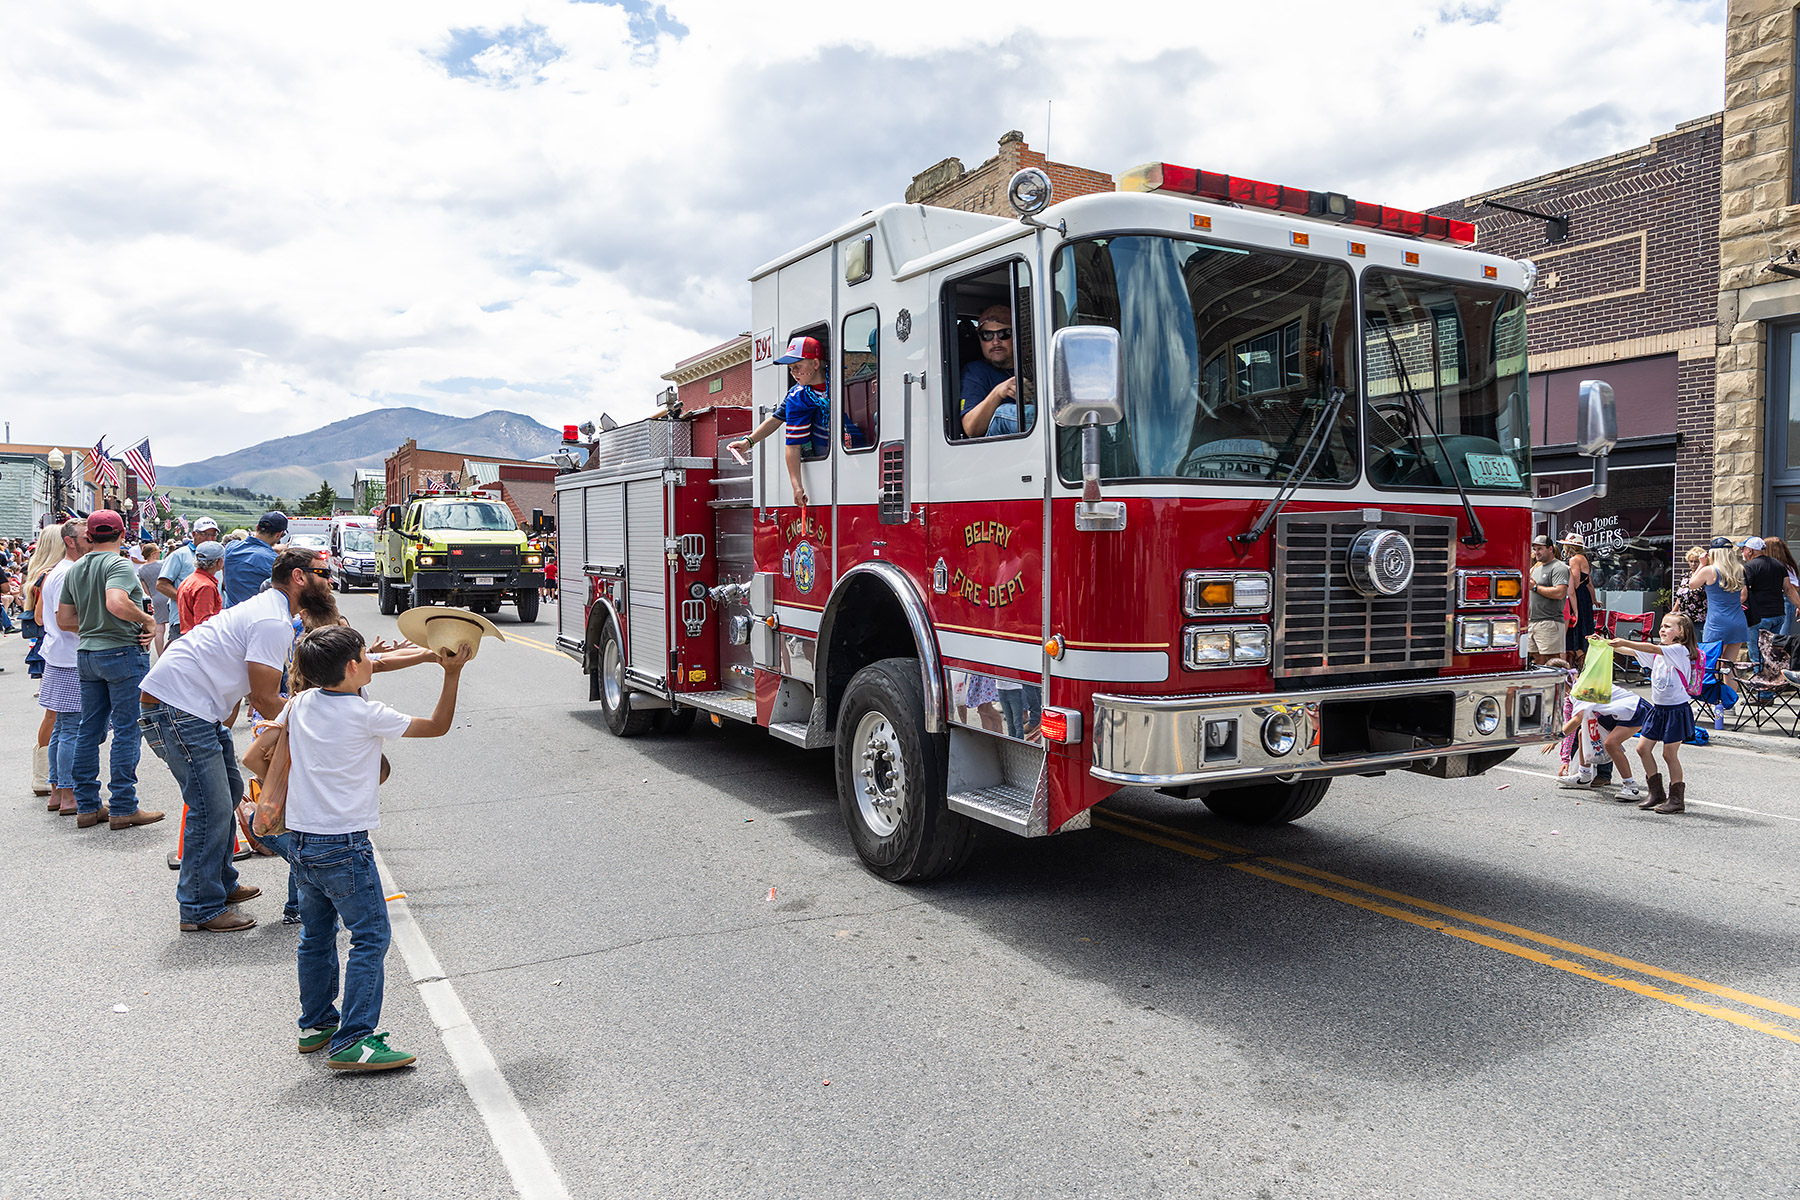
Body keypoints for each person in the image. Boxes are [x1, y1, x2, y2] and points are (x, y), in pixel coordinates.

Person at [265, 624, 466, 1070]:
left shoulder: (299, 703)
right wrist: (451, 674)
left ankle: (317, 1026)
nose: (373, 659)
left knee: (315, 935)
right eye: (366, 655)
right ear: (353, 667)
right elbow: (436, 727)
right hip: (344, 845)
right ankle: (355, 1039)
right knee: (371, 935)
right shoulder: (364, 713)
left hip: (300, 840)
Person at [137, 548, 339, 932]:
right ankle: (200, 907)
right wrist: (320, 720)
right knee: (210, 807)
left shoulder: (269, 610)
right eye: (322, 572)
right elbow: (264, 699)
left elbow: (243, 687)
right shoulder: (272, 621)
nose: (329, 581)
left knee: (227, 794)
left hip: (191, 708)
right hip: (180, 708)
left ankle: (219, 884)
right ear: (299, 577)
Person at [56, 510, 163, 831]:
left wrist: (94, 626)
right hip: (121, 651)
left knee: (89, 729)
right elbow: (116, 602)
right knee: (128, 729)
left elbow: (63, 619)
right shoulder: (117, 564)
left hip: (88, 652)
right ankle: (123, 806)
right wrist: (145, 620)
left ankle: (88, 806)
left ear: (89, 536)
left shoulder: (76, 569)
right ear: (121, 535)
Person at [1609, 612, 1698, 815]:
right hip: (1658, 709)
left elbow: (1649, 647)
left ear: (1682, 632)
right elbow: (1631, 652)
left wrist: (1626, 641)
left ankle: (1676, 799)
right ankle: (1656, 793)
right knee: (1642, 748)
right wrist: (1607, 643)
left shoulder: (1679, 650)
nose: (1662, 629)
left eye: (1668, 626)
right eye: (1662, 626)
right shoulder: (1661, 652)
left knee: (1669, 754)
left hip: (1676, 711)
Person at [726, 336, 829, 506]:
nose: (793, 373)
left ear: (816, 364)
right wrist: (797, 486)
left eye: (797, 366)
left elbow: (777, 418)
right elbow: (789, 440)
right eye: (790, 368)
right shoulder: (798, 396)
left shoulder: (840, 377)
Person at [31, 523, 82, 816]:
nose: (91, 541)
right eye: (87, 538)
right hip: (67, 656)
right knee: (70, 727)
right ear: (69, 542)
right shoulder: (65, 573)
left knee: (63, 726)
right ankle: (66, 791)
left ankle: (57, 789)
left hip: (59, 654)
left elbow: (44, 618)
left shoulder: (57, 572)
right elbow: (63, 620)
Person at [1553, 682, 1650, 802]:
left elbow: (1576, 720)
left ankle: (1631, 786)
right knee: (1583, 732)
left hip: (1635, 710)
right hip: (1619, 712)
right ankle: (1584, 775)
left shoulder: (1581, 692)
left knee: (1611, 743)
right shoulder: (1576, 690)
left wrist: (1555, 738)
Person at [960, 304, 1027, 438]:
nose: (995, 342)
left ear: (1017, 335)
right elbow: (970, 428)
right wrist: (998, 393)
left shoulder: (1036, 365)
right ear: (980, 340)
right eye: (987, 335)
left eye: (1004, 334)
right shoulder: (975, 371)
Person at [157, 517, 220, 640]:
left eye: (213, 535)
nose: (209, 538)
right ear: (194, 534)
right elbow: (161, 585)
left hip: (212, 621)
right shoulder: (179, 555)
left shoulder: (219, 556)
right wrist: (188, 600)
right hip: (184, 621)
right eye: (204, 534)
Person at [1690, 537, 1748, 662]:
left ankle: (1714, 683)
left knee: (1710, 664)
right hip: (1738, 621)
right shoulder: (1739, 570)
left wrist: (1701, 564)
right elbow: (1744, 594)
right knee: (1729, 665)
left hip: (1717, 623)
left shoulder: (1709, 571)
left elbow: (1692, 584)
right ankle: (1729, 683)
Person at [1739, 536, 1789, 674]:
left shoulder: (1749, 567)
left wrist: (1731, 608)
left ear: (1750, 551)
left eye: (1743, 549)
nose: (1742, 552)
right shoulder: (1779, 565)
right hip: (1778, 615)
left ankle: (1763, 689)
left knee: (1757, 655)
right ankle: (1771, 687)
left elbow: (1744, 594)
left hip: (1758, 617)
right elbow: (1788, 588)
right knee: (1772, 654)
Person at [222, 511, 287, 607]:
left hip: (230, 614)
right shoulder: (274, 561)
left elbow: (253, 551)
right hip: (258, 617)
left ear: (257, 528)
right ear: (279, 534)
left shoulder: (231, 548)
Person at [1526, 534, 1570, 666]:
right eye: (1535, 549)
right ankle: (1541, 686)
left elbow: (1560, 593)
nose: (1536, 552)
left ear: (1550, 549)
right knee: (1537, 661)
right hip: (1532, 622)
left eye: (1540, 548)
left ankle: (1562, 687)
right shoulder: (1535, 569)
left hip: (1549, 621)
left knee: (1552, 662)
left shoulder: (1559, 567)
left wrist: (1535, 588)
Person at [176, 540, 227, 632]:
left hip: (189, 636)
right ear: (219, 561)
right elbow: (204, 623)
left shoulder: (189, 580)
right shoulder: (206, 586)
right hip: (200, 641)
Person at [1559, 532, 1595, 660]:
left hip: (1578, 597)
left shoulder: (1574, 559)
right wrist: (1594, 600)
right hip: (1585, 597)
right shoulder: (1584, 559)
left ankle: (1577, 664)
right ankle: (1582, 663)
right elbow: (1589, 584)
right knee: (1584, 629)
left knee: (1576, 629)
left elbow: (1574, 585)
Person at [134, 541, 170, 655]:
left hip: (155, 597)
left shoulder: (141, 570)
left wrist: (152, 595)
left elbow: (145, 589)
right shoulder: (163, 564)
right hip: (168, 595)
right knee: (174, 626)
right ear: (154, 553)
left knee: (160, 629)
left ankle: (160, 655)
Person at [1763, 535, 1800, 638]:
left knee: (1781, 635)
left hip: (1784, 601)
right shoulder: (1766, 566)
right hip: (1771, 603)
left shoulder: (1785, 567)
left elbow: (1794, 587)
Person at [1673, 545, 1708, 630]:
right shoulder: (1685, 577)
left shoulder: (1706, 576)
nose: (1693, 564)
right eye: (1691, 561)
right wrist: (1673, 612)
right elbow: (1679, 597)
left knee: (1697, 642)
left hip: (1699, 619)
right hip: (1684, 618)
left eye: (1696, 562)